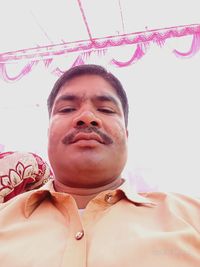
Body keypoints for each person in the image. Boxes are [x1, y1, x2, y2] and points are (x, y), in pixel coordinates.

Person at [0, 64, 200, 267]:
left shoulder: (191, 217)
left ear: (127, 136)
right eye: (67, 109)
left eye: (106, 109)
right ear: (48, 134)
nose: (87, 117)